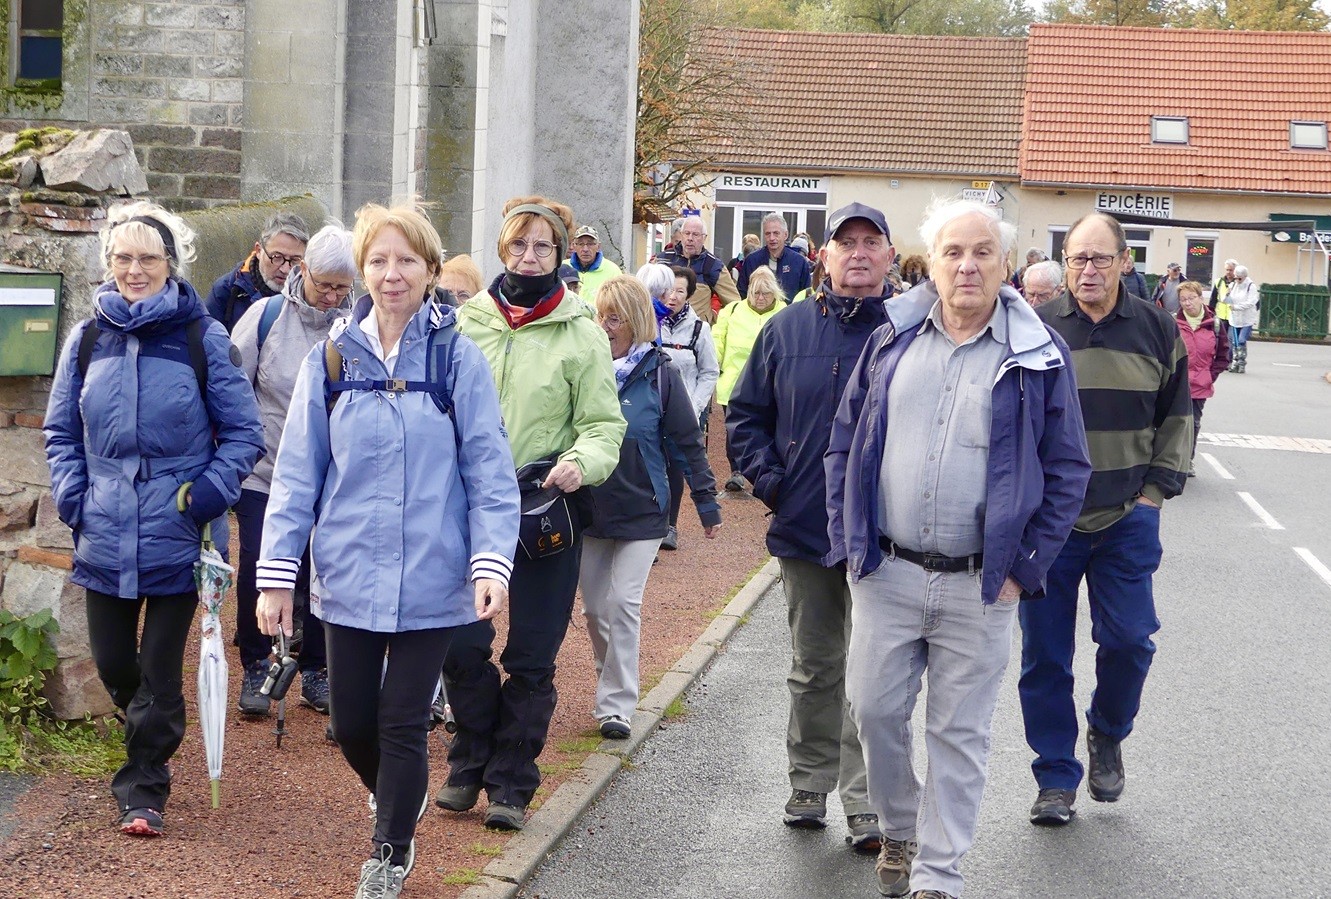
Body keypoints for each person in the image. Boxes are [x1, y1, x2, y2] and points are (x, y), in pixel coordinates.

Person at [827, 199, 1090, 899]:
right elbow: (844, 440)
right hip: (886, 571)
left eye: (981, 252)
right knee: (872, 711)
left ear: (1004, 264)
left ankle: (937, 875)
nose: (967, 265)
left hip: (981, 582)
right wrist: (849, 542)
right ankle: (903, 826)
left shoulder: (1036, 353)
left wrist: (1023, 568)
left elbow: (1068, 469)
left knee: (957, 733)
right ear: (930, 262)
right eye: (953, 252)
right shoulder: (892, 337)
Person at [256, 201, 520, 899]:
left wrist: (490, 561)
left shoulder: (457, 358)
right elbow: (296, 473)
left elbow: (489, 472)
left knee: (402, 719)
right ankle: (398, 797)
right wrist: (276, 577)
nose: (391, 273)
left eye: (406, 260)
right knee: (350, 720)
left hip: (434, 576)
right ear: (362, 271)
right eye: (378, 260)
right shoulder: (332, 360)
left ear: (431, 271)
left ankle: (389, 849)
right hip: (346, 573)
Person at [44, 202, 264, 837]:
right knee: (117, 665)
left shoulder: (202, 338)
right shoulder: (85, 339)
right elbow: (61, 430)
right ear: (109, 264)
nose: (134, 270)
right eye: (123, 258)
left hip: (179, 535)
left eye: (148, 257)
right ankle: (149, 726)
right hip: (104, 530)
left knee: (161, 669)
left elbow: (243, 433)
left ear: (172, 262)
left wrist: (205, 497)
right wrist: (73, 497)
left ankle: (144, 788)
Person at [436, 195, 626, 832]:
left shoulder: (583, 332)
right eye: (519, 243)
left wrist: (580, 461)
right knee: (460, 644)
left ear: (562, 252)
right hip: (469, 510)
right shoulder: (466, 325)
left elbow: (604, 425)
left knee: (532, 653)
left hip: (548, 507)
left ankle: (512, 781)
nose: (529, 255)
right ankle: (470, 756)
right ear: (502, 247)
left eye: (543, 245)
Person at [727, 201, 898, 853]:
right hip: (804, 524)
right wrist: (773, 481)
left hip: (887, 533)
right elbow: (745, 413)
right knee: (814, 664)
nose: (857, 252)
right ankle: (808, 783)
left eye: (869, 242)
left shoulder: (911, 332)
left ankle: (865, 801)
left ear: (887, 255)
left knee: (874, 671)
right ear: (823, 256)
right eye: (844, 242)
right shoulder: (787, 329)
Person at [1022, 212, 1192, 827]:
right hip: (1049, 525)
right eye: (1075, 259)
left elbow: (1178, 416)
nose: (1086, 270)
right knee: (1044, 656)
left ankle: (1108, 730)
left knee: (1127, 641)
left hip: (1127, 516)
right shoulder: (1036, 328)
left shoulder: (1155, 327)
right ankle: (1055, 778)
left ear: (1125, 261)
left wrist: (1155, 494)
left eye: (1098, 258)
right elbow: (1014, 424)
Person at [581, 276, 722, 738]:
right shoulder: (584, 367)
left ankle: (617, 704)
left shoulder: (660, 373)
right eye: (600, 316)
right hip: (590, 506)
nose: (605, 326)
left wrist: (705, 501)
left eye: (615, 317)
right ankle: (612, 679)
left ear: (637, 321)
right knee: (595, 610)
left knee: (623, 603)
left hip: (644, 509)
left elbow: (685, 441)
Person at [230, 225, 357, 718]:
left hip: (335, 479)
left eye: (342, 288)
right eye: (324, 284)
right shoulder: (264, 318)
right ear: (302, 271)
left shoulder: (358, 327)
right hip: (266, 471)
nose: (331, 297)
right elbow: (233, 390)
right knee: (263, 566)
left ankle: (317, 668)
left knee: (325, 569)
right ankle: (258, 663)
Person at [659, 265, 720, 550]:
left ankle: (670, 525)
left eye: (680, 291)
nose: (672, 296)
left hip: (683, 411)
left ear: (689, 296)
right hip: (653, 407)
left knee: (676, 466)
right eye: (669, 289)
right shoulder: (650, 323)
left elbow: (709, 372)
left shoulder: (699, 329)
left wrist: (693, 408)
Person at [714, 266, 784, 493]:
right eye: (756, 293)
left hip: (772, 385)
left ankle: (769, 470)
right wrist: (713, 364)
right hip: (734, 383)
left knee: (770, 428)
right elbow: (717, 341)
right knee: (736, 429)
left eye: (766, 293)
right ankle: (737, 471)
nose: (761, 298)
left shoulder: (785, 313)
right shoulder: (732, 311)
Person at [206, 211, 310, 332]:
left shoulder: (314, 294)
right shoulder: (227, 291)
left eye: (295, 260)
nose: (285, 269)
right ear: (259, 250)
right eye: (277, 257)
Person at [1175, 280, 1232, 474]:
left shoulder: (1214, 325)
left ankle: (1187, 460)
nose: (1187, 303)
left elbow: (1224, 355)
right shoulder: (1174, 323)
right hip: (1176, 384)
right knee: (1173, 423)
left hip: (1200, 384)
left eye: (1191, 298)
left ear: (1201, 298)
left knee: (1193, 423)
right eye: (1183, 299)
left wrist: (1210, 375)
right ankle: (1171, 461)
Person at [655, 215, 740, 323]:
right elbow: (647, 294)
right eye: (687, 233)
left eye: (695, 234)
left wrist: (716, 320)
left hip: (696, 333)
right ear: (681, 235)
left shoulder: (714, 266)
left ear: (704, 238)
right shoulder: (663, 260)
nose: (690, 238)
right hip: (663, 329)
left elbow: (734, 304)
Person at [737, 212, 812, 301]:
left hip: (790, 313)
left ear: (785, 235)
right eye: (768, 234)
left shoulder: (799, 262)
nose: (772, 238)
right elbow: (742, 294)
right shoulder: (752, 261)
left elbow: (807, 296)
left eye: (776, 233)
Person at [567, 225, 622, 300]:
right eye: (580, 244)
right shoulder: (563, 267)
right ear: (574, 246)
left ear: (598, 247)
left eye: (590, 244)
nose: (585, 249)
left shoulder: (613, 271)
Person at [1226, 264, 1260, 373]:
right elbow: (1226, 300)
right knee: (1235, 342)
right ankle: (1235, 362)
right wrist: (1227, 295)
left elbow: (1251, 302)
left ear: (1244, 276)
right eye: (1235, 277)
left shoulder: (1251, 286)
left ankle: (1241, 363)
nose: (1237, 280)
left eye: (1239, 278)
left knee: (1241, 340)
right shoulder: (1233, 285)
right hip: (1235, 319)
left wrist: (1236, 307)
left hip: (1247, 319)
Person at [1209, 258, 1237, 322]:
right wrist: (1211, 313)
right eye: (1227, 270)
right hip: (1220, 316)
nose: (1228, 272)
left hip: (1233, 317)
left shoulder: (1238, 283)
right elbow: (1213, 299)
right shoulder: (1219, 282)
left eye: (1231, 270)